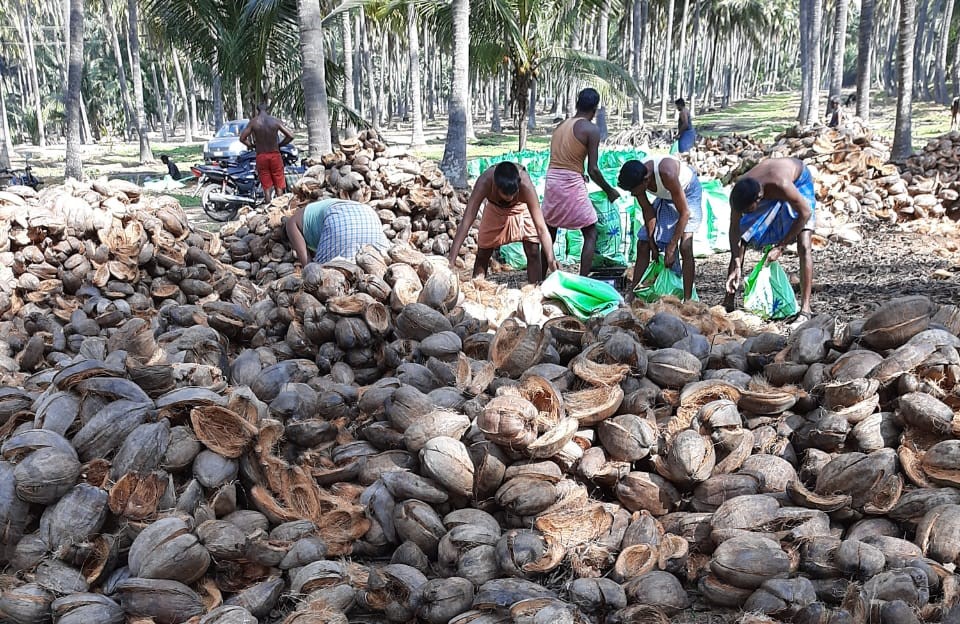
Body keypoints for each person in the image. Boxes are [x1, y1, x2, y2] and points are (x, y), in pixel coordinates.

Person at [540, 88, 620, 278]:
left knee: (550, 230)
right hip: (569, 182)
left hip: (552, 180)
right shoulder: (591, 130)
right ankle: (583, 281)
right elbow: (593, 169)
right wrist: (609, 190)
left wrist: (579, 172)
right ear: (594, 109)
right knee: (591, 231)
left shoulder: (561, 126)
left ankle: (539, 279)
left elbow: (566, 158)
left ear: (577, 104)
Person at [725, 157, 816, 325]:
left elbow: (805, 213)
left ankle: (806, 309)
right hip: (767, 186)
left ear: (759, 199)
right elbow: (735, 229)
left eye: (749, 210)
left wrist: (781, 246)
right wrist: (736, 263)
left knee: (804, 244)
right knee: (744, 238)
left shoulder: (782, 185)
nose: (747, 213)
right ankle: (728, 303)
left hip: (799, 181)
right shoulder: (740, 191)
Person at [448, 161, 559, 283]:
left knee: (533, 250)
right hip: (495, 209)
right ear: (496, 186)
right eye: (505, 196)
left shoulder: (526, 185)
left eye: (513, 195)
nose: (510, 199)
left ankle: (535, 289)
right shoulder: (485, 182)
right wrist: (451, 261)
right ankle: (477, 288)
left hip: (520, 209)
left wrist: (551, 259)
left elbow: (541, 227)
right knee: (483, 254)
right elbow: (466, 221)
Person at [617, 155, 702, 301]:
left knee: (685, 247)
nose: (633, 194)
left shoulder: (666, 173)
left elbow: (685, 212)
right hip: (667, 197)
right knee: (642, 244)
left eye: (634, 191)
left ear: (646, 180)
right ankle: (633, 292)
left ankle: (688, 299)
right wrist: (651, 241)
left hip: (688, 193)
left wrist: (671, 247)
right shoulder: (637, 176)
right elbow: (647, 211)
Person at [285, 193, 391, 266]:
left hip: (340, 220)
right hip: (368, 214)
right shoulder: (309, 217)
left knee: (322, 280)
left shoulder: (290, 224)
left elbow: (308, 266)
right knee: (379, 267)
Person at [240, 103, 295, 203]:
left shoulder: (254, 122)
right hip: (275, 154)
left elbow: (242, 138)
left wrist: (252, 146)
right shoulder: (275, 121)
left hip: (261, 156)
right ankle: (280, 206)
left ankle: (268, 207)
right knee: (278, 182)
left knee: (266, 185)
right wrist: (280, 144)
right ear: (267, 110)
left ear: (257, 111)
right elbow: (290, 135)